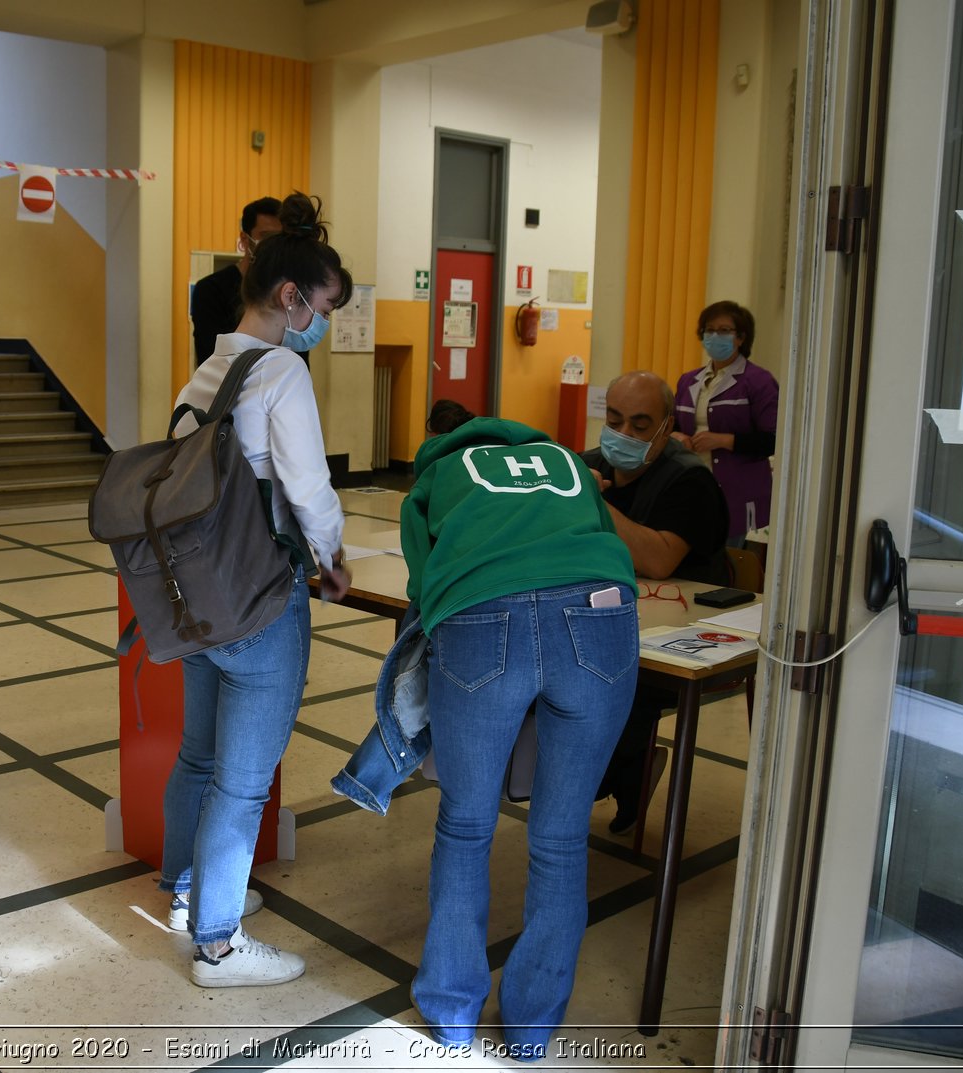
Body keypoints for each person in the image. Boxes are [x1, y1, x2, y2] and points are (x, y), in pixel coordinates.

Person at [341, 398, 639, 1056]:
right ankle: (532, 1026)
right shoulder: (564, 460)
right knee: (560, 839)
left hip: (483, 621)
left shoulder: (433, 479)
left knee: (467, 823)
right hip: (600, 617)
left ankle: (451, 1010)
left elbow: (423, 591)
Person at [160, 192, 352, 987]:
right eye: (323, 307)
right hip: (261, 599)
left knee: (198, 755)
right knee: (243, 779)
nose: (322, 323)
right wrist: (333, 555)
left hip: (196, 595)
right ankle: (218, 944)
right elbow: (307, 490)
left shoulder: (210, 366)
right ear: (289, 297)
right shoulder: (279, 370)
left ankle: (185, 891)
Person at [582, 370, 728, 833]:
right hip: (602, 616)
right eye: (616, 420)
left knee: (617, 680)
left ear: (667, 428)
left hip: (678, 632)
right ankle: (589, 777)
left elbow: (660, 560)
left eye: (640, 426)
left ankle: (623, 776)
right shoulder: (585, 464)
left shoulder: (688, 481)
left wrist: (594, 503)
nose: (623, 435)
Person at [673, 300, 779, 545]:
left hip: (739, 493)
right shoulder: (689, 380)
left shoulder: (759, 381)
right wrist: (677, 437)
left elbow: (773, 439)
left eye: (724, 330)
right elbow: (673, 425)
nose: (714, 336)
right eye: (709, 330)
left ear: (740, 338)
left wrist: (724, 440)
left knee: (730, 559)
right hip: (694, 483)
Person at [190, 197, 284, 366]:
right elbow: (210, 360)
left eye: (280, 238)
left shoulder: (287, 294)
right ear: (244, 238)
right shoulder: (211, 290)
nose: (274, 246)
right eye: (266, 236)